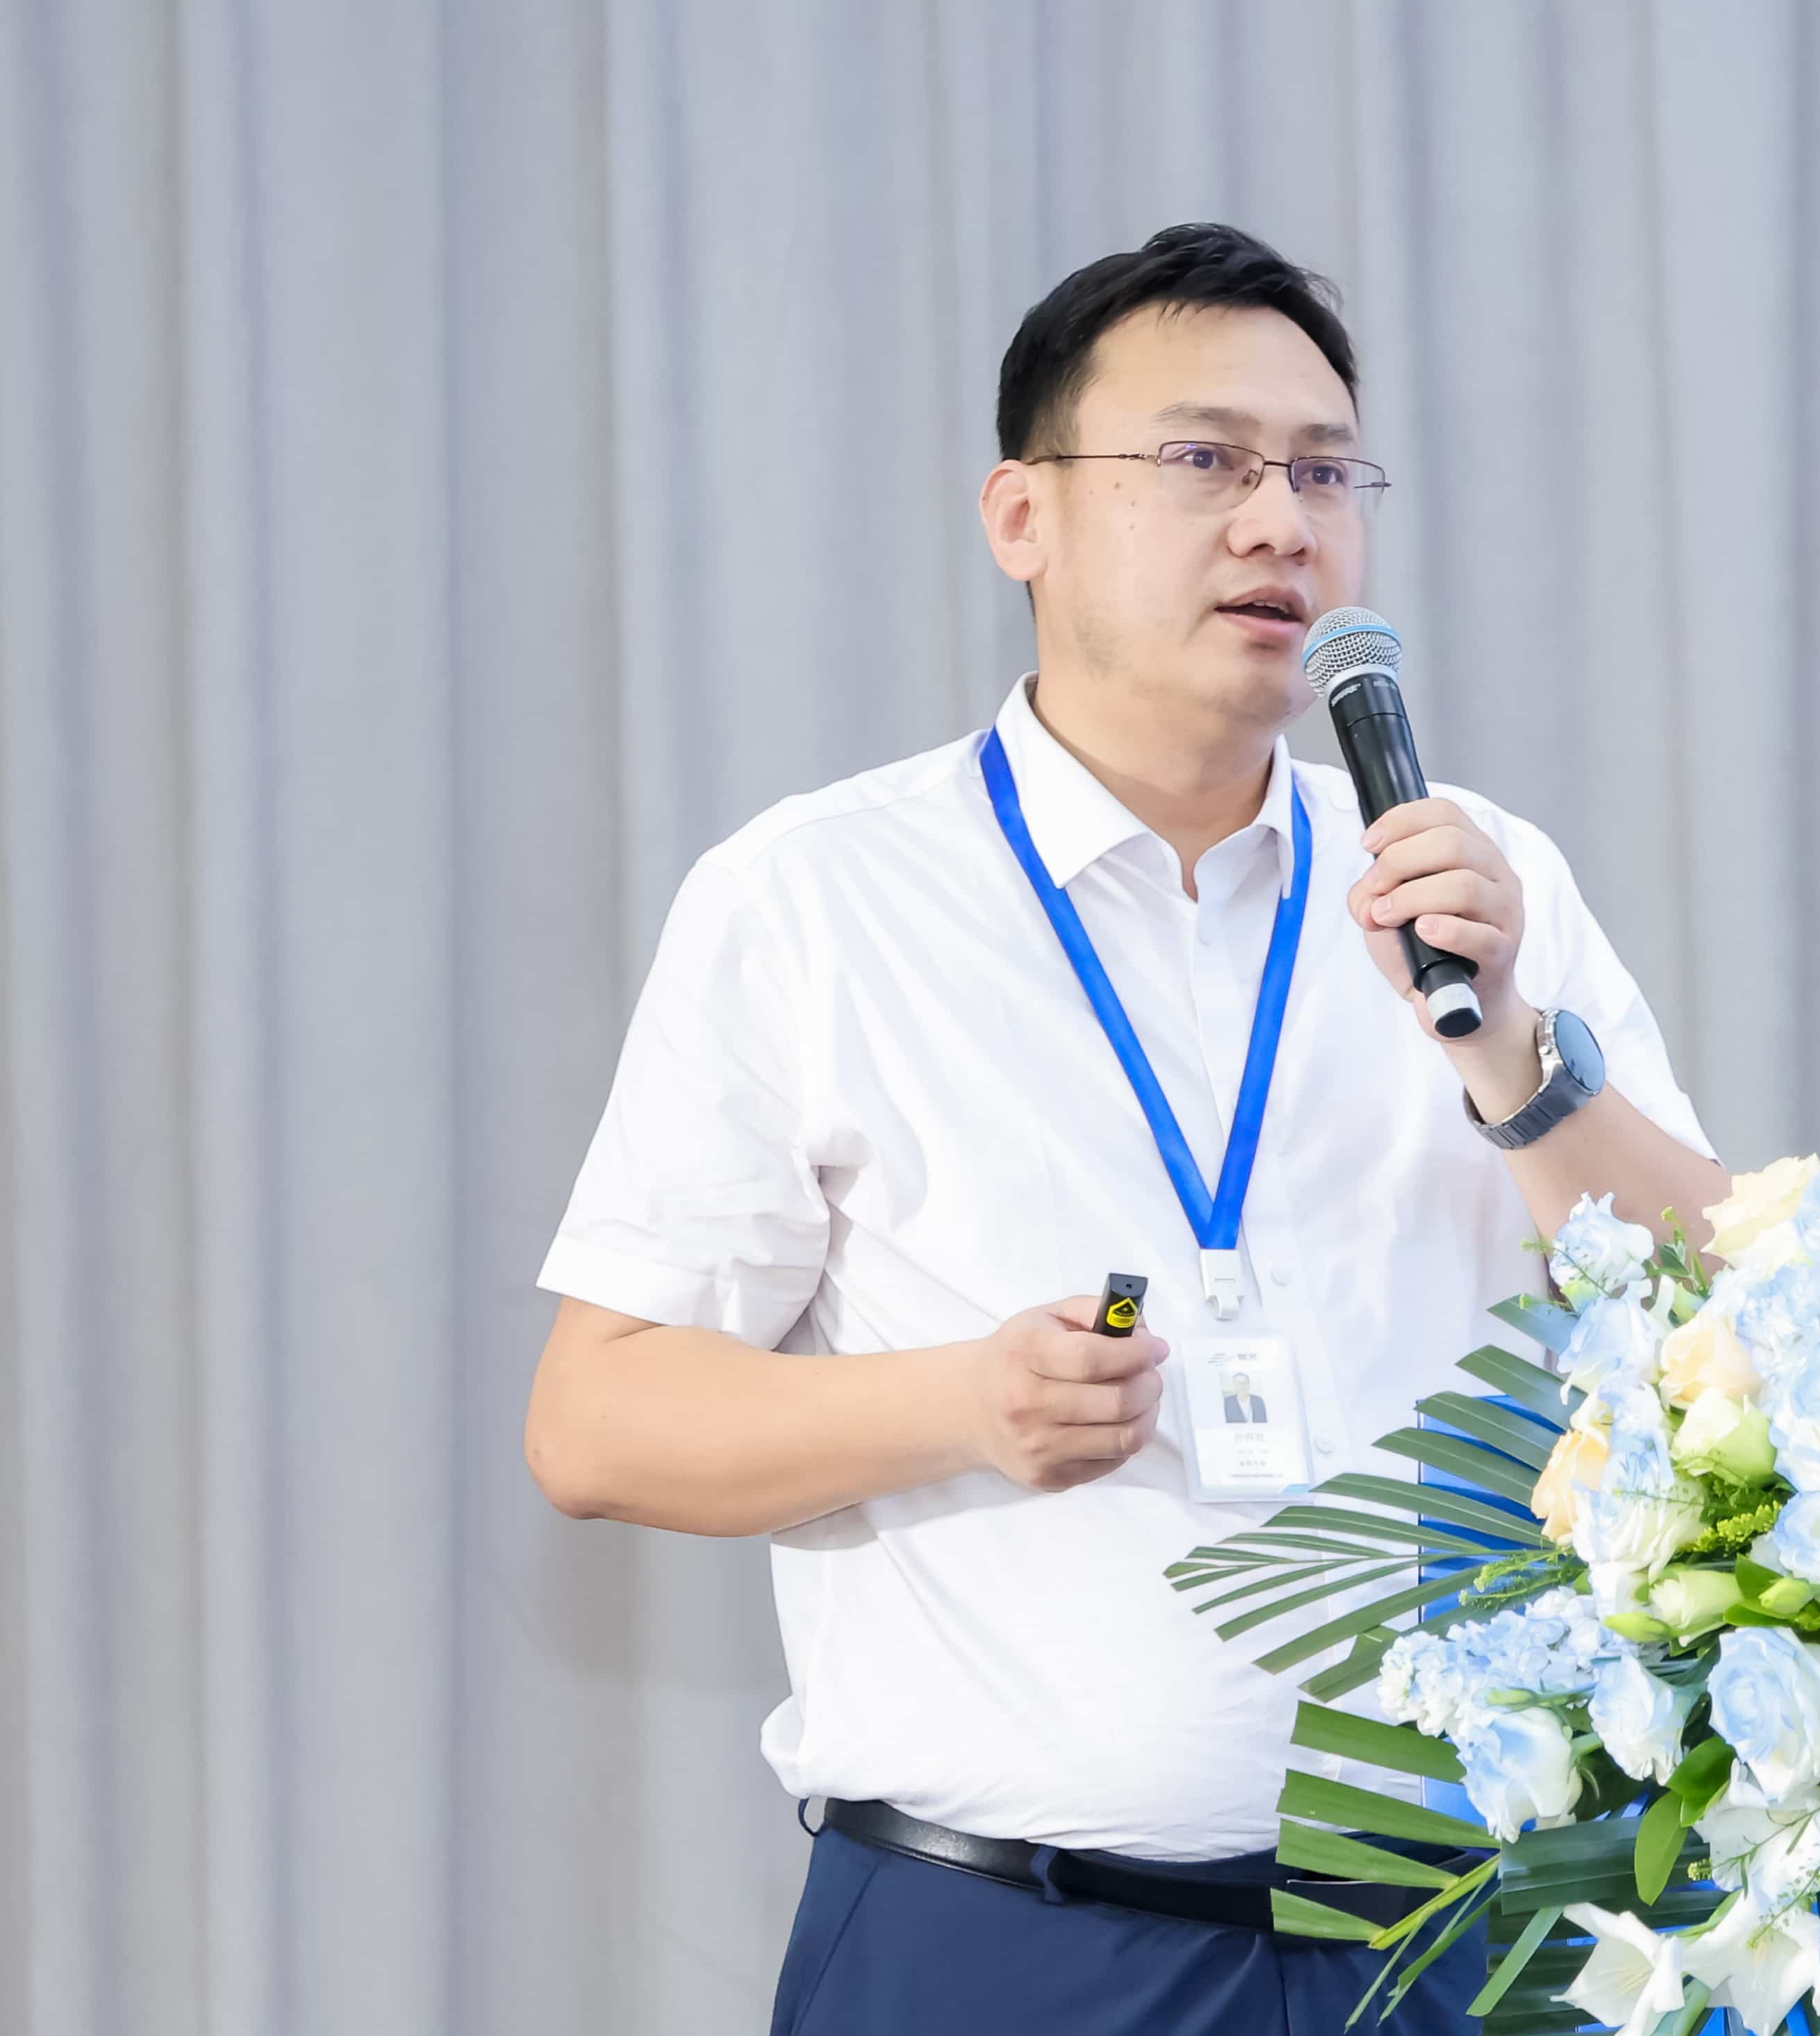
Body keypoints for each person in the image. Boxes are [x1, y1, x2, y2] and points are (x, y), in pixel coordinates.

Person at [522, 222, 1728, 2036]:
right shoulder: (818, 897)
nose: (1280, 523)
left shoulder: (1476, 881)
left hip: (1457, 1941)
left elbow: (1725, 1320)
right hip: (1005, 1946)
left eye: (1324, 473)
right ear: (1023, 516)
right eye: (1206, 461)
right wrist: (964, 1404)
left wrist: (1513, 1053)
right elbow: (596, 1419)